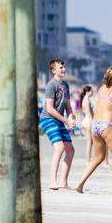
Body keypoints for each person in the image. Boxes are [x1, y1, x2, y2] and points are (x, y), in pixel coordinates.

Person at [74, 65, 112, 195]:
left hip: (95, 125)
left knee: (98, 157)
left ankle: (79, 184)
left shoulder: (102, 88)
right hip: (107, 125)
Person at [39, 59, 76, 190]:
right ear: (54, 70)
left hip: (59, 120)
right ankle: (52, 181)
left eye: (64, 67)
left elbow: (67, 105)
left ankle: (63, 182)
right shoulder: (51, 85)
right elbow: (49, 108)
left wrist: (71, 116)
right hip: (48, 119)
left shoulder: (65, 85)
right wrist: (66, 121)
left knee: (70, 150)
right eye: (61, 68)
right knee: (59, 148)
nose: (64, 70)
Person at [78, 85, 95, 162]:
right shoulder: (87, 100)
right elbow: (89, 113)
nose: (93, 92)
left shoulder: (85, 99)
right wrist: (93, 121)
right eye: (91, 91)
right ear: (88, 92)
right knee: (89, 142)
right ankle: (88, 160)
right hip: (89, 121)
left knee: (90, 142)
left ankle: (89, 159)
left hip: (86, 120)